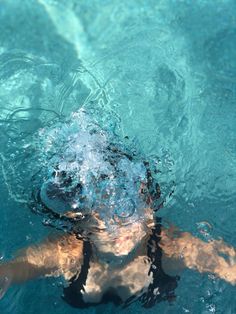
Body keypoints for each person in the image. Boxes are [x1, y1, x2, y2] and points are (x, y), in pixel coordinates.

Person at [0, 110, 235, 308]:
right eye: (103, 214)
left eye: (129, 211)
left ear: (150, 210)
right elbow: (15, 268)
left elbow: (226, 264)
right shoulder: (69, 252)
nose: (121, 225)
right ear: (79, 219)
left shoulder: (169, 246)